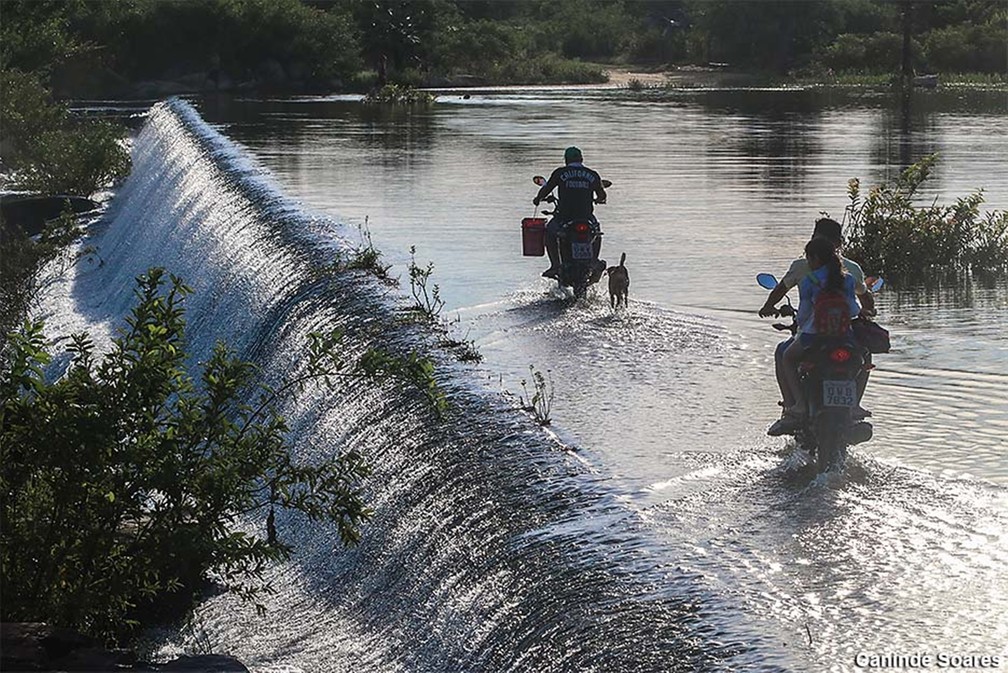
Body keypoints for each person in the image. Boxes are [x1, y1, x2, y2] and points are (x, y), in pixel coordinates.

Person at [759, 218, 876, 418]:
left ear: (813, 254)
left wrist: (769, 307)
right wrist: (867, 312)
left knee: (784, 355)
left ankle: (794, 405)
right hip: (844, 335)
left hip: (812, 336)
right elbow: (861, 303)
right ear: (838, 244)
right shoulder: (849, 274)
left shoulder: (805, 273)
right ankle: (854, 404)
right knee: (864, 355)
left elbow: (797, 307)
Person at [533, 146, 607, 278]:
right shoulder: (592, 174)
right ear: (581, 159)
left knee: (549, 231)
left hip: (564, 217)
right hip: (586, 217)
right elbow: (602, 195)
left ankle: (555, 265)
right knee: (596, 231)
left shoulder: (560, 173)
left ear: (566, 160)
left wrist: (538, 199)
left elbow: (547, 188)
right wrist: (598, 199)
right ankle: (594, 260)